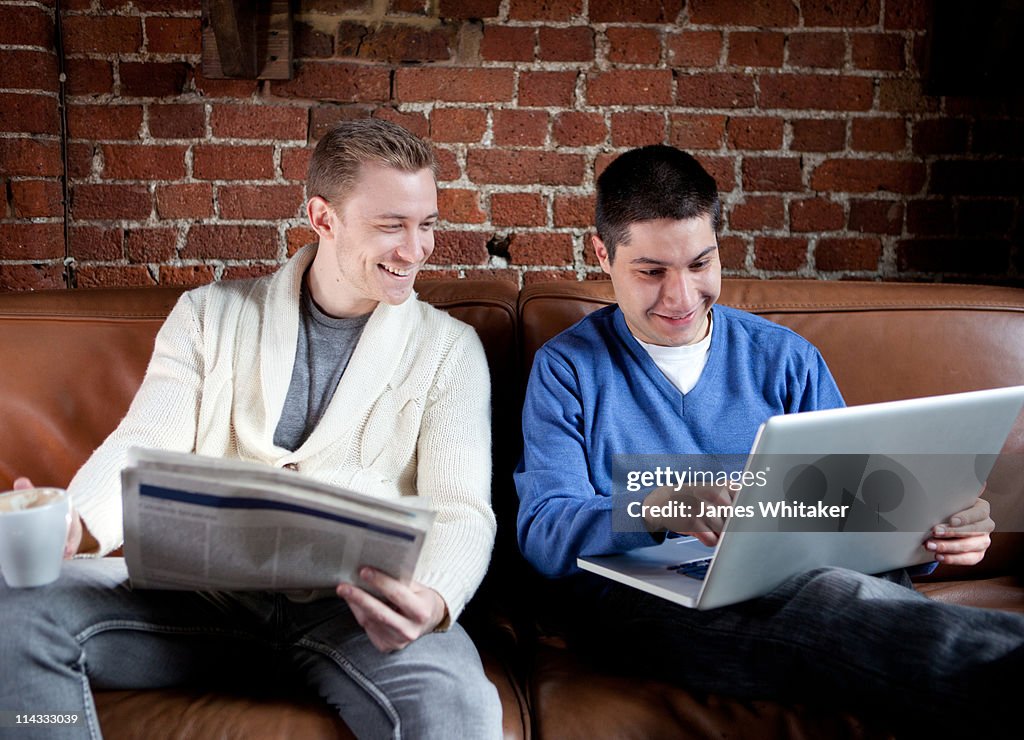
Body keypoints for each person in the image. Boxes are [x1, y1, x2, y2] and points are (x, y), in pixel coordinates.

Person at [0, 119, 502, 739]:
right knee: (14, 613)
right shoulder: (209, 315)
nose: (416, 249)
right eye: (390, 225)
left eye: (426, 224)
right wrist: (78, 522)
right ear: (323, 218)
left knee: (462, 706)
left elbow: (462, 508)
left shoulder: (451, 351)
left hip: (356, 614)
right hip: (204, 603)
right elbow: (144, 439)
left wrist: (434, 599)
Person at [514, 144, 1023, 729]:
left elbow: (856, 509)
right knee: (833, 600)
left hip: (812, 577)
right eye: (652, 272)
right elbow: (543, 530)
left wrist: (936, 533)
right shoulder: (567, 368)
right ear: (602, 253)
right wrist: (658, 504)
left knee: (845, 593)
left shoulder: (786, 359)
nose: (681, 297)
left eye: (700, 264)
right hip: (656, 605)